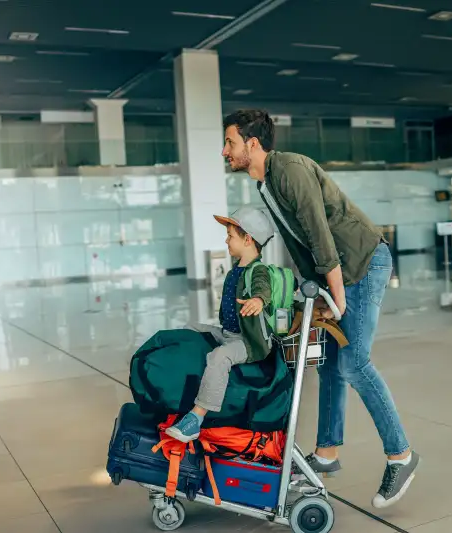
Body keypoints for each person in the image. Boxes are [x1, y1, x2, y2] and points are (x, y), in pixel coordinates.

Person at [221, 109, 420, 509]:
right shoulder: (266, 185)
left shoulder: (289, 170)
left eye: (230, 142)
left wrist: (337, 295)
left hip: (361, 264)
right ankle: (327, 453)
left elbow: (318, 232)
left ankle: (401, 455)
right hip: (338, 273)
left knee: (354, 363)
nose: (226, 151)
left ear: (252, 144)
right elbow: (300, 245)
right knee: (329, 362)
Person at [166, 207, 275, 443]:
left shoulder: (259, 271)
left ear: (248, 239)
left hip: (247, 342)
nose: (226, 240)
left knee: (220, 356)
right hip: (227, 332)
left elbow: (262, 288)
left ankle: (196, 418)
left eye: (230, 235)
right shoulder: (236, 270)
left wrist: (258, 300)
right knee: (190, 328)